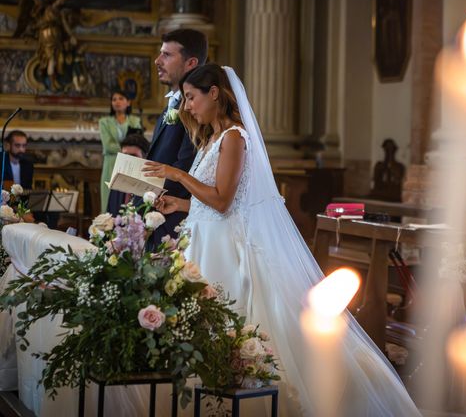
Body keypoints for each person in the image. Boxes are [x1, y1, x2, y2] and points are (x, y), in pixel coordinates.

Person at [142, 64, 421, 416]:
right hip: (205, 242)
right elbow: (211, 201)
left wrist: (177, 174)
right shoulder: (211, 139)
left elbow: (223, 200)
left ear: (214, 93)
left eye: (192, 98)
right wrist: (178, 202)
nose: (188, 107)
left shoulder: (234, 138)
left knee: (242, 323)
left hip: (228, 249)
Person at [142, 28, 206, 248]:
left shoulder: (196, 109)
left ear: (191, 63)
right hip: (157, 212)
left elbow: (187, 164)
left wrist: (148, 192)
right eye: (160, 54)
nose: (157, 61)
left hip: (172, 220)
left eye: (167, 55)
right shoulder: (171, 105)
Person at [99, 89, 142, 212]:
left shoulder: (135, 121)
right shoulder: (104, 122)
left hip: (129, 163)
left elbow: (138, 142)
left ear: (128, 102)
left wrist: (129, 148)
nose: (117, 102)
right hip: (111, 163)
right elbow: (108, 146)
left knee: (127, 200)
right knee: (109, 200)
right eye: (114, 99)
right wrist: (128, 148)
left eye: (121, 99)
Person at [106, 133, 150, 217]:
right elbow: (110, 214)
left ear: (145, 158)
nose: (128, 161)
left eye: (133, 156)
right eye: (125, 156)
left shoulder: (151, 189)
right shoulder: (116, 185)